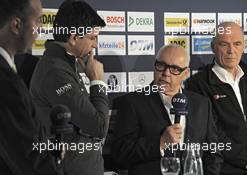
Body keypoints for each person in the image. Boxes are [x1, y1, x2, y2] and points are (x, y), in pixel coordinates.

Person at [112, 44, 223, 175]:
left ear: (186, 73)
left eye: (175, 69)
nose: (165, 73)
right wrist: (160, 142)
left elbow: (213, 152)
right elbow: (120, 154)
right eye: (161, 65)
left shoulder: (201, 104)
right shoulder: (133, 102)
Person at [30, 1, 109, 175]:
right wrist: (97, 81)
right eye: (92, 38)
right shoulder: (56, 72)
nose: (95, 44)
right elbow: (99, 127)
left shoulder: (64, 65)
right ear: (73, 38)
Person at [187, 22, 247, 175]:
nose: (231, 51)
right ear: (213, 47)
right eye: (224, 44)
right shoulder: (198, 84)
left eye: (237, 44)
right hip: (223, 169)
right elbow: (212, 133)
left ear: (243, 46)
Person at [0, 0, 64, 174]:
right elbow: (28, 158)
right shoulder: (6, 83)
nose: (41, 28)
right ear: (16, 25)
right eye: (38, 20)